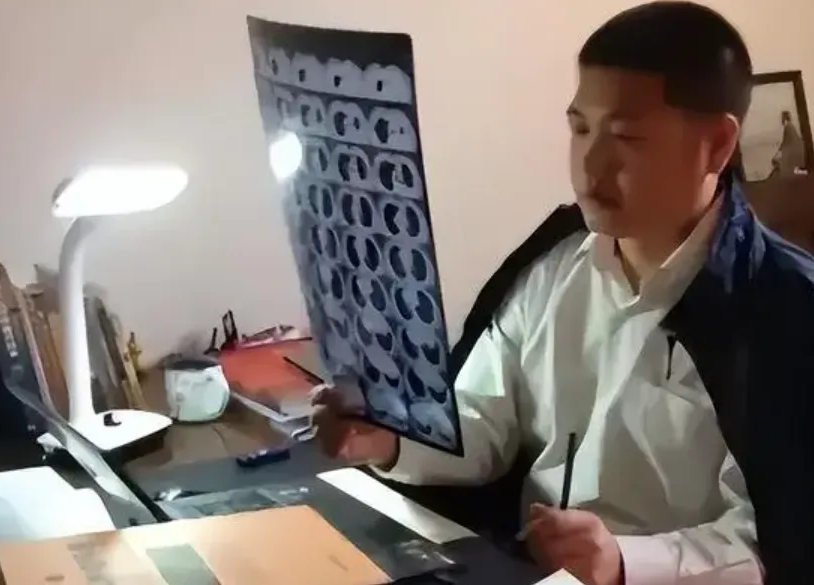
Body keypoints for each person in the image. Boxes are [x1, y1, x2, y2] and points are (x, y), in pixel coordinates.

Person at [313, 3, 814, 584]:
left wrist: (624, 562)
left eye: (627, 137)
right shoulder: (556, 263)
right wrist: (392, 439)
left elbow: (777, 538)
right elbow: (483, 420)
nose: (590, 165)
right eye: (580, 129)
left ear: (717, 144)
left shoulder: (788, 312)